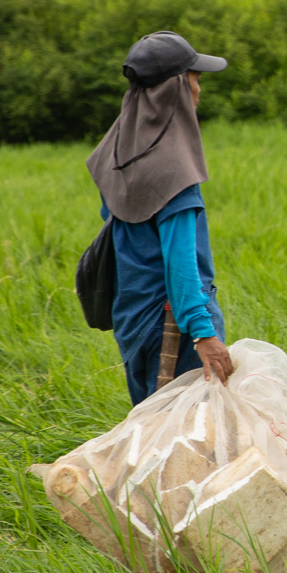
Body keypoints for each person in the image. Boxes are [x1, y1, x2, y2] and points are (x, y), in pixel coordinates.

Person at [88, 31, 236, 403]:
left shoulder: (118, 151)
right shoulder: (174, 169)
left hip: (132, 319)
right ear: (177, 90)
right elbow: (180, 260)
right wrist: (204, 335)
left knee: (150, 428)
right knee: (187, 442)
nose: (200, 88)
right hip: (174, 327)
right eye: (196, 78)